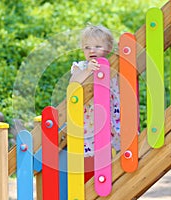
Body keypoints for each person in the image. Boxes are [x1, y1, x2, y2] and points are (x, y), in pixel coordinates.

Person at [69, 24, 120, 182]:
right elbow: (73, 83)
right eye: (87, 47)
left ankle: (116, 177)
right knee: (93, 152)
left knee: (115, 147)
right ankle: (93, 181)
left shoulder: (114, 66)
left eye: (97, 46)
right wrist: (87, 71)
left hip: (111, 115)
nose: (92, 51)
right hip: (90, 119)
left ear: (109, 48)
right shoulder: (81, 66)